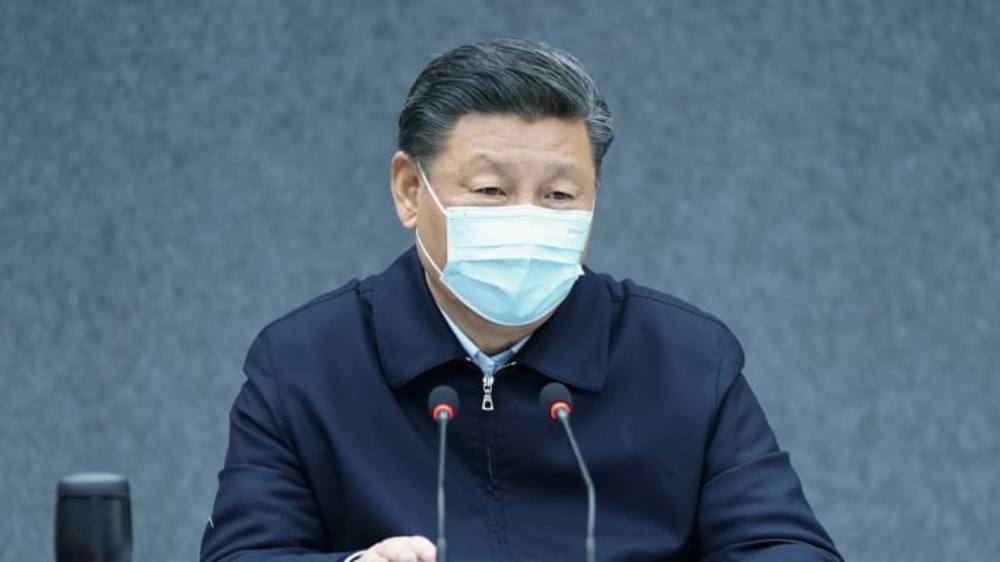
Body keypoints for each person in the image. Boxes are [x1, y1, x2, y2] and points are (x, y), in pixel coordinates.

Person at [200, 37, 841, 562]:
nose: (528, 218)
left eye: (559, 196)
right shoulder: (305, 365)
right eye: (491, 191)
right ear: (409, 191)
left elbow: (785, 547)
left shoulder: (687, 360)